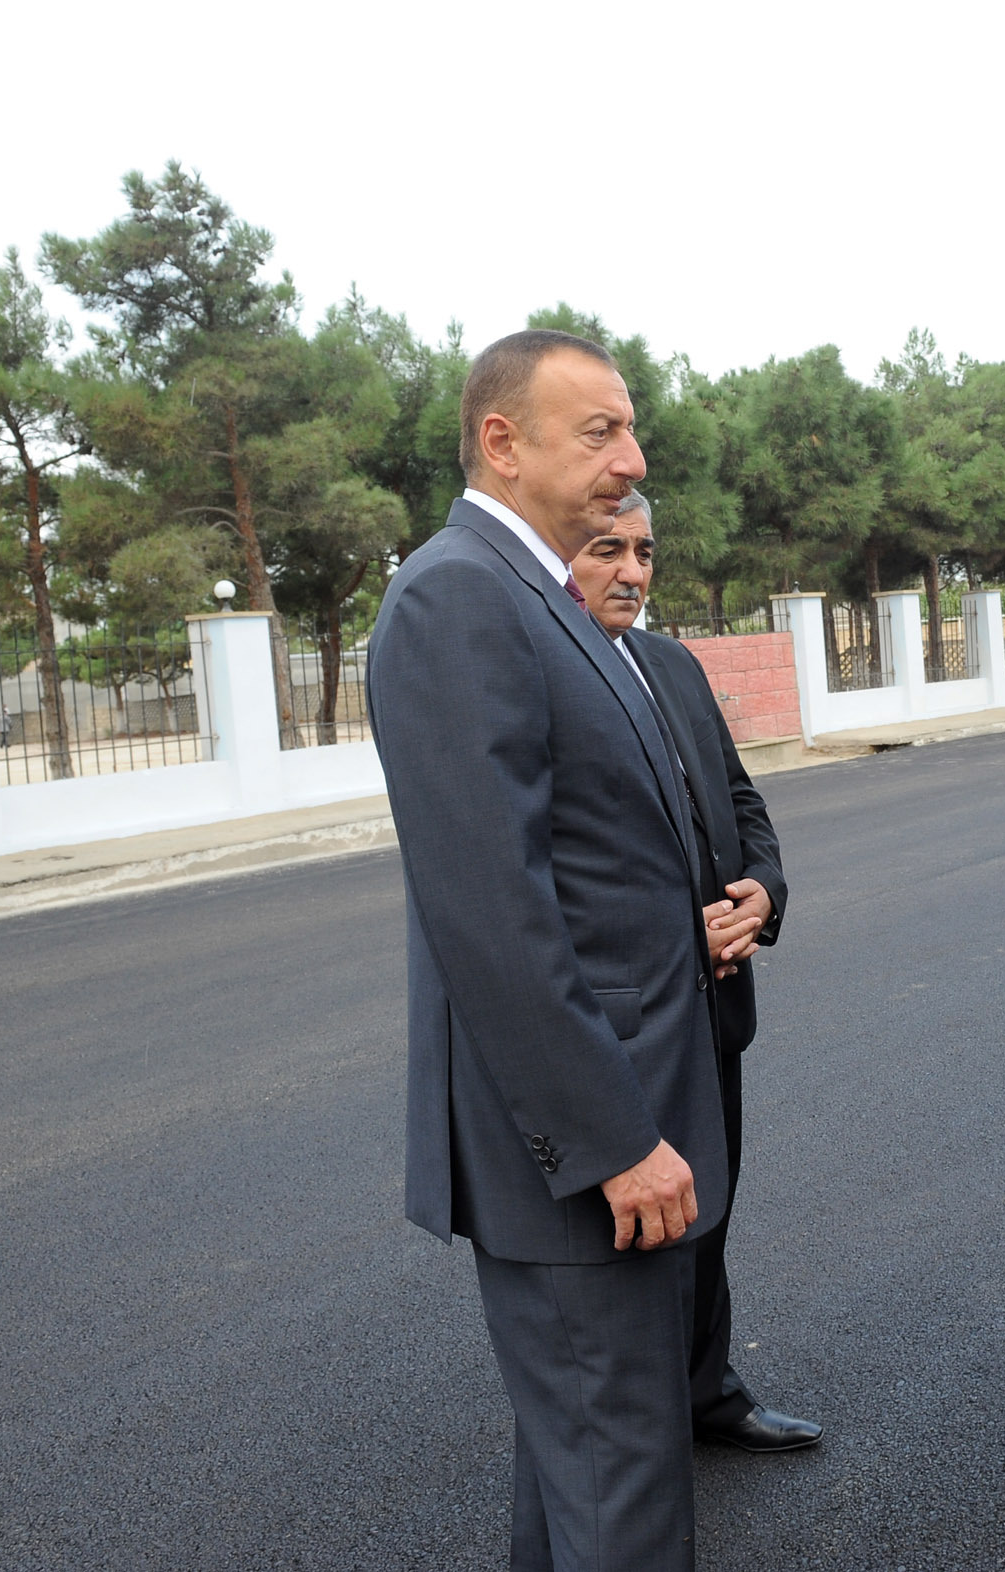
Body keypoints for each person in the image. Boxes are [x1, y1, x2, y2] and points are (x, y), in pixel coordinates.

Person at [366, 329, 727, 1572]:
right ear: (502, 443)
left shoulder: (538, 590)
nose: (630, 458)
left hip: (621, 1111)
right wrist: (614, 1139)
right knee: (623, 1493)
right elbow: (494, 915)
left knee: (582, 1472)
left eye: (630, 430)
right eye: (599, 432)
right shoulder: (457, 595)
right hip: (576, 1154)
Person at [569, 494, 821, 1453]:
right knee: (634, 1234)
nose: (632, 570)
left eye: (644, 552)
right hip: (622, 1020)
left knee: (708, 1205)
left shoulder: (671, 663)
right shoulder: (557, 674)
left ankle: (706, 1392)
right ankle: (630, 1426)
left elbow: (741, 801)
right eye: (607, 549)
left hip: (714, 1003)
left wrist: (762, 888)